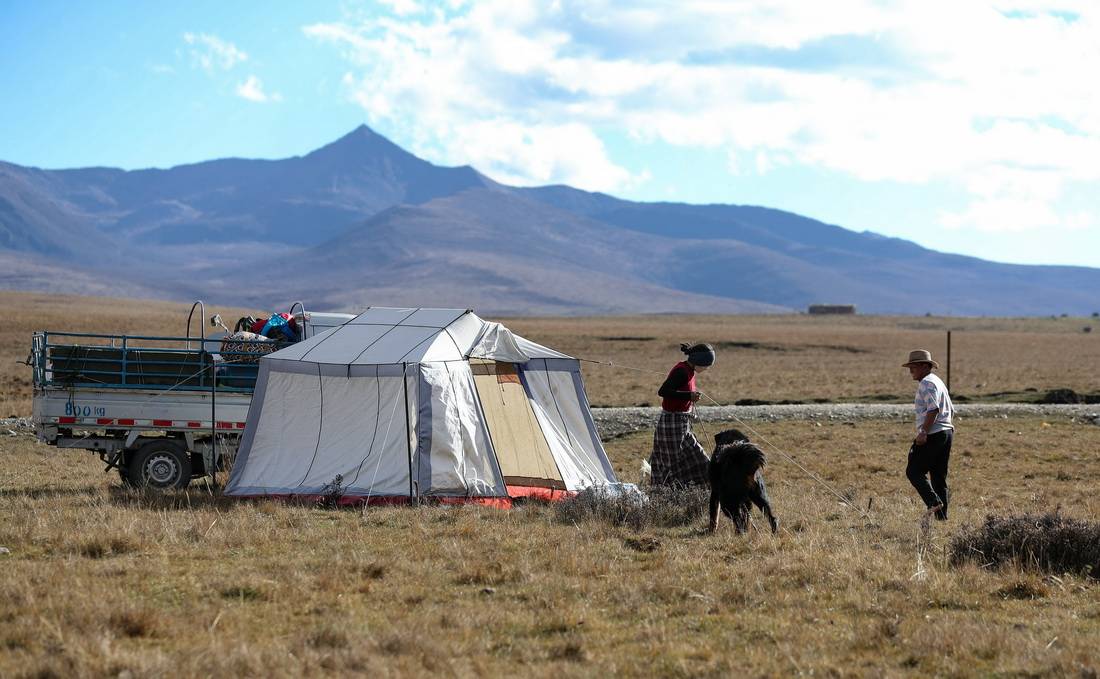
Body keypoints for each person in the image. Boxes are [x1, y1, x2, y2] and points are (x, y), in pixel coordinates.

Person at [649, 342, 716, 487]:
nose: (707, 368)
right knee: (670, 464)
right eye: (706, 365)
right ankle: (663, 495)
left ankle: (700, 491)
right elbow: (663, 391)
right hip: (670, 424)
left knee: (700, 460)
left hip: (683, 425)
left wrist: (690, 398)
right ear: (698, 361)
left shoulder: (689, 371)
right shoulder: (681, 371)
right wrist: (689, 396)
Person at [902, 349, 954, 520]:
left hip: (933, 432)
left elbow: (933, 409)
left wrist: (923, 432)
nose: (911, 371)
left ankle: (933, 503)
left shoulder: (927, 383)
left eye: (913, 366)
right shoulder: (937, 382)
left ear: (925, 366)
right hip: (946, 432)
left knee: (914, 471)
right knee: (938, 476)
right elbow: (951, 409)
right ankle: (942, 518)